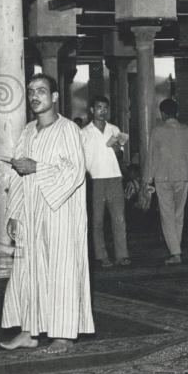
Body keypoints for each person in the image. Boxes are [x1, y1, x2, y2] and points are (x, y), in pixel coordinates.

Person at [0, 74, 94, 353]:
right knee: (27, 270)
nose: (34, 97)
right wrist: (14, 212)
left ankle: (63, 336)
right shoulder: (28, 130)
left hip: (60, 212)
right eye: (30, 92)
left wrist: (36, 167)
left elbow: (74, 172)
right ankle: (29, 331)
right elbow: (17, 173)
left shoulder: (68, 130)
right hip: (30, 211)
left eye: (41, 91)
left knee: (60, 270)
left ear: (54, 97)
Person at [81, 96, 130, 268]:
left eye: (105, 108)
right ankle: (101, 255)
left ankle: (122, 255)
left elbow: (121, 155)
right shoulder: (84, 132)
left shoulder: (114, 129)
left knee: (119, 218)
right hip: (95, 179)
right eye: (99, 107)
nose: (102, 110)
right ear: (92, 110)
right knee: (97, 220)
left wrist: (118, 149)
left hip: (114, 177)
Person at [147, 98, 188, 264]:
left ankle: (175, 252)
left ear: (162, 113)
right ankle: (176, 248)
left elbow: (151, 158)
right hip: (182, 176)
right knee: (178, 214)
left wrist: (147, 180)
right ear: (176, 112)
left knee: (167, 215)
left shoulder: (157, 131)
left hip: (162, 177)